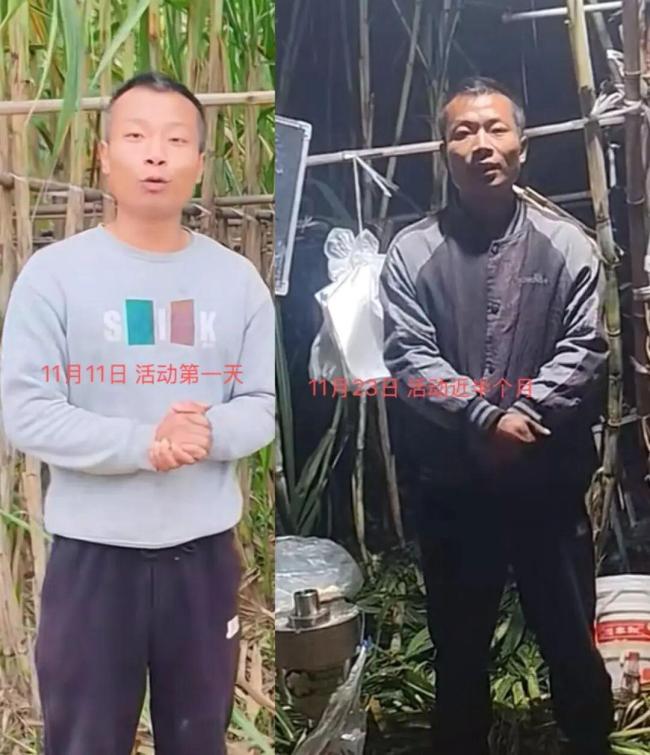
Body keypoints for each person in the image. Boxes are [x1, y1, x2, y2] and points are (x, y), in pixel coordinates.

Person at [0, 71, 274, 755]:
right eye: (136, 136)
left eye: (176, 140)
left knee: (198, 738)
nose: (156, 154)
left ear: (199, 163)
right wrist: (145, 443)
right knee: (84, 741)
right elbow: (27, 411)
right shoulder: (54, 277)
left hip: (202, 559)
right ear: (104, 156)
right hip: (93, 561)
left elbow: (261, 406)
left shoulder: (236, 281)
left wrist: (206, 432)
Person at [378, 76, 614, 755]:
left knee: (569, 636)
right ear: (443, 152)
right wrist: (482, 417)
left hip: (547, 484)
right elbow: (408, 354)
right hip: (455, 490)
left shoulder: (567, 245)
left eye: (495, 128)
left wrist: (525, 414)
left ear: (521, 145)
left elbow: (585, 347)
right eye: (463, 132)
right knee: (459, 648)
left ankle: (589, 740)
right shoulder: (412, 253)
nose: (481, 143)